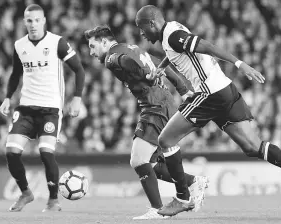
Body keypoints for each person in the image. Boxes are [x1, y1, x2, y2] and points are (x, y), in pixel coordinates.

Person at [135, 5, 281, 217]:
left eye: (141, 28)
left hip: (209, 92)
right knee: (253, 146)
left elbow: (207, 46)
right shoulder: (170, 33)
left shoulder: (172, 35)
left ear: (152, 23)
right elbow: (176, 53)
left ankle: (183, 198)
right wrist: (161, 67)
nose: (141, 33)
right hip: (224, 89)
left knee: (166, 140)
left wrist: (239, 63)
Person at [84, 25, 208, 220]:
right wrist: (183, 89)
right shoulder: (134, 48)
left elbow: (123, 62)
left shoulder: (111, 57)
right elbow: (161, 65)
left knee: (138, 160)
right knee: (152, 164)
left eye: (93, 46)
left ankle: (157, 209)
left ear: (105, 42)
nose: (91, 52)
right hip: (163, 103)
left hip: (155, 107)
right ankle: (193, 182)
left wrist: (144, 75)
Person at [0, 4, 85, 212]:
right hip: (26, 107)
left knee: (46, 153)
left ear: (44, 20)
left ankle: (53, 201)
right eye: (29, 20)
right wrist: (8, 98)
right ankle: (26, 193)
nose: (33, 24)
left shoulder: (57, 43)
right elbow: (15, 74)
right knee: (11, 152)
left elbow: (79, 70)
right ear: (25, 22)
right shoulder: (20, 45)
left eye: (37, 20)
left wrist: (77, 99)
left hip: (50, 109)